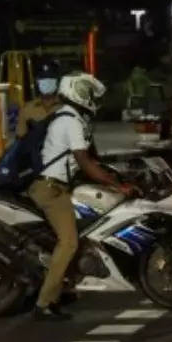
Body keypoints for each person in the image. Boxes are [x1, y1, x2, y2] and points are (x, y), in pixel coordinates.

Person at [28, 73, 135, 322]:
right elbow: (84, 162)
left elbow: (93, 159)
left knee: (84, 233)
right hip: (51, 189)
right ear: (77, 92)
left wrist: (117, 175)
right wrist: (115, 185)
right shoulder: (70, 121)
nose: (91, 97)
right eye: (86, 91)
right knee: (69, 242)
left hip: (59, 186)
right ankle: (43, 303)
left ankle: (62, 288)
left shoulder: (75, 118)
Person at [17, 60, 62, 139]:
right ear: (37, 82)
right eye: (43, 80)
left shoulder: (65, 107)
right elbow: (20, 139)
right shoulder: (27, 109)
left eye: (50, 79)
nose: (47, 83)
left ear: (57, 82)